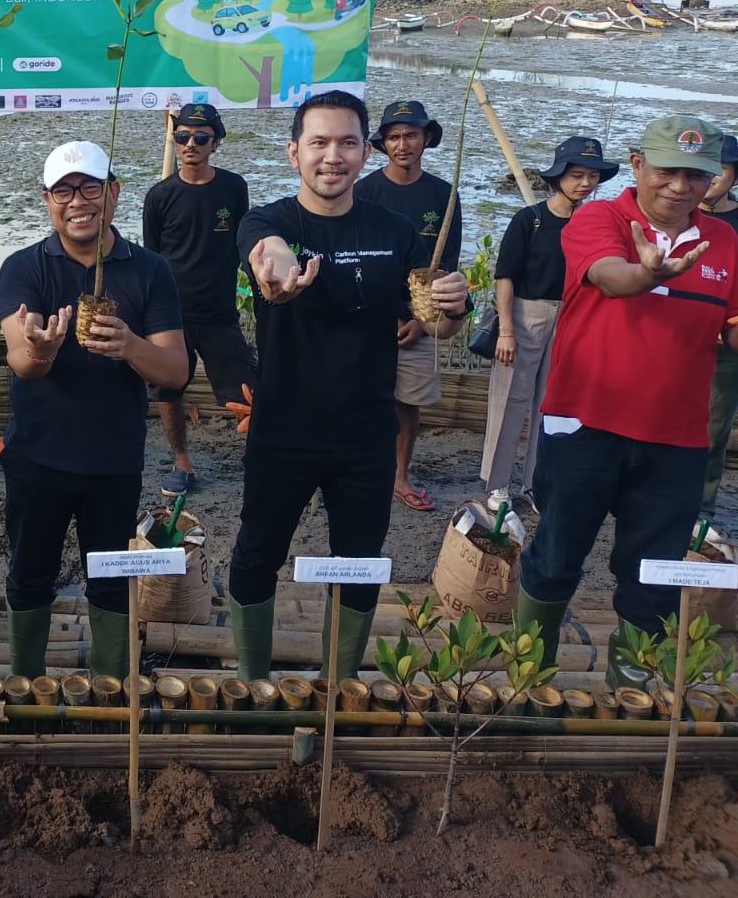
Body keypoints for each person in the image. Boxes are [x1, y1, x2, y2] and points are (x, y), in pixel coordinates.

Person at [229, 91, 469, 680]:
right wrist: (278, 273)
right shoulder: (271, 221)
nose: (331, 156)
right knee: (258, 552)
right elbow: (267, 254)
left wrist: (454, 306)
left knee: (360, 561)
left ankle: (339, 684)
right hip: (283, 429)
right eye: (318, 142)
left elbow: (436, 321)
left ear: (367, 151)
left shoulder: (394, 231)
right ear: (293, 153)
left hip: (365, 433)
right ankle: (250, 683)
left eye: (346, 143)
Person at [516, 117, 738, 687]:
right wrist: (647, 272)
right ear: (637, 164)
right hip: (585, 423)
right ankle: (527, 681)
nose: (680, 186)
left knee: (655, 574)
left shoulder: (727, 242)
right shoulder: (600, 218)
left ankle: (629, 691)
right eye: (667, 170)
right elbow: (610, 278)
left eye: (697, 175)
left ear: (715, 179)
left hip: (678, 438)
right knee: (556, 555)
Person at [0, 141, 187, 678]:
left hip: (114, 459)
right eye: (63, 190)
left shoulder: (150, 270)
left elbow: (175, 371)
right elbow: (21, 360)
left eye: (90, 187)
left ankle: (109, 687)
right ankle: (25, 687)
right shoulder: (24, 268)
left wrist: (131, 346)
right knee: (30, 574)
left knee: (110, 578)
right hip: (38, 454)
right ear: (47, 200)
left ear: (114, 194)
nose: (77, 201)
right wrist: (43, 348)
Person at [479, 137, 616, 511]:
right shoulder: (531, 219)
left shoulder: (597, 223)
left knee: (554, 406)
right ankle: (496, 484)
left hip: (574, 317)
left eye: (592, 176)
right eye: (576, 175)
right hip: (526, 315)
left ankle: (537, 484)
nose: (585, 183)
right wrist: (506, 329)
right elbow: (505, 276)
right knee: (510, 399)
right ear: (559, 177)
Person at [141, 102, 256, 499]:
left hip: (220, 310)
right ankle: (182, 462)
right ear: (175, 140)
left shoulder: (233, 187)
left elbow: (244, 245)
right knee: (169, 391)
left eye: (201, 137)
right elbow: (152, 258)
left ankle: (261, 459)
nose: (191, 144)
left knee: (247, 389)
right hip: (173, 315)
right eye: (183, 136)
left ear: (216, 143)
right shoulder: (159, 196)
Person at [354, 98, 463, 513]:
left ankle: (400, 475)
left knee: (407, 402)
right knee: (360, 399)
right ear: (382, 144)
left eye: (411, 135)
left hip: (418, 321)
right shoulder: (364, 192)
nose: (403, 144)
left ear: (426, 138)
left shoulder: (443, 195)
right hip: (367, 320)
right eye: (394, 137)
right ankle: (360, 470)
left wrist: (421, 321)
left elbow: (447, 265)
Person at [700, 134, 738, 521]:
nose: (711, 178)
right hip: (673, 340)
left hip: (724, 345)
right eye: (705, 169)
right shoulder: (679, 217)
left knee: (713, 427)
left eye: (721, 170)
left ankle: (702, 507)